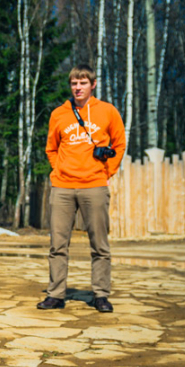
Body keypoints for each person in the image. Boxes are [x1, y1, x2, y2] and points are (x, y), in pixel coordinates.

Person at [39, 64, 126, 313]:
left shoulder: (108, 112)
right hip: (63, 187)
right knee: (57, 245)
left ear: (93, 85)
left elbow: (119, 145)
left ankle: (100, 295)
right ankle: (55, 295)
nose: (78, 87)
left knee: (99, 244)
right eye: (74, 83)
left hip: (95, 185)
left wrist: (106, 172)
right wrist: (59, 171)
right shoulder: (59, 114)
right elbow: (51, 148)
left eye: (83, 83)